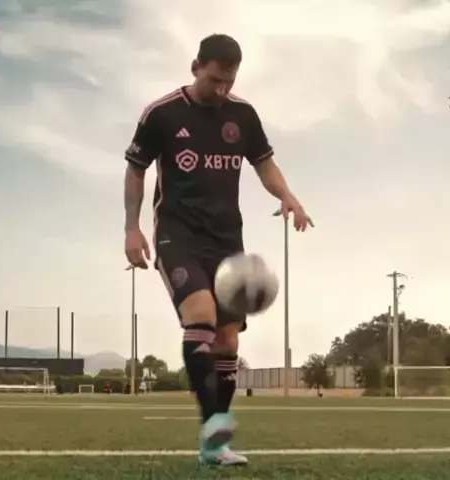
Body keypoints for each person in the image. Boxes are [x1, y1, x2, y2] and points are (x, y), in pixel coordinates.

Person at [124, 34, 313, 467]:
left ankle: (215, 447)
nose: (222, 89)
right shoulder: (161, 114)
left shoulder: (242, 115)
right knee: (201, 315)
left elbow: (264, 163)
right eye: (214, 80)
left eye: (229, 81)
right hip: (177, 234)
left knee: (228, 338)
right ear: (196, 67)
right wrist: (132, 227)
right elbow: (135, 170)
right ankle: (213, 422)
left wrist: (289, 196)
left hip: (228, 240)